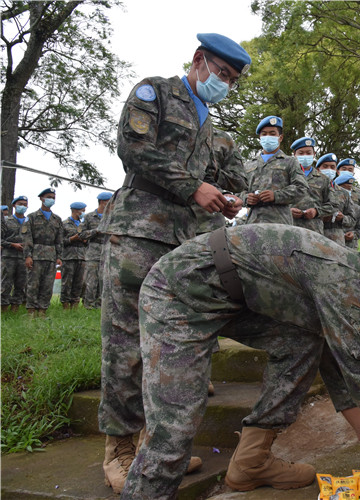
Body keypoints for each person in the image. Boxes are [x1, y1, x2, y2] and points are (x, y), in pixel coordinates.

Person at [119, 223, 360, 498]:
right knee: (174, 431)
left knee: (304, 342)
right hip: (179, 291)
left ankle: (250, 462)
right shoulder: (341, 279)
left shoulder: (350, 282)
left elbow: (336, 362)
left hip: (229, 298)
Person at [96, 32, 251, 494]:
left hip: (181, 243)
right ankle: (119, 449)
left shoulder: (209, 126)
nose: (224, 83)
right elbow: (134, 148)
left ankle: (153, 449)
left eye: (232, 80)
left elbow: (223, 177)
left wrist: (223, 198)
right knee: (125, 342)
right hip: (140, 232)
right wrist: (193, 187)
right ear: (199, 60)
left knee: (163, 344)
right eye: (221, 73)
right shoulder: (156, 93)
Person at [242, 116, 307, 225]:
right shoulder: (248, 165)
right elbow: (238, 190)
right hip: (253, 223)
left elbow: (301, 188)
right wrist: (246, 198)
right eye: (264, 134)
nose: (268, 137)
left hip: (280, 223)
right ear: (260, 137)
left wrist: (276, 196)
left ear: (280, 138)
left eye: (272, 134)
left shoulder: (290, 162)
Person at [23, 188, 63, 317]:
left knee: (47, 285)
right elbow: (27, 238)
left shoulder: (57, 219)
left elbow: (59, 240)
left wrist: (59, 256)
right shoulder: (31, 217)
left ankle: (42, 311)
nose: (51, 199)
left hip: (51, 256)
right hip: (36, 255)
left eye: (53, 197)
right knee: (33, 284)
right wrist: (28, 256)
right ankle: (31, 311)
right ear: (41, 198)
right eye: (49, 196)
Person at [289, 137, 333, 235]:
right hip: (289, 228)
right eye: (301, 153)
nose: (305, 156)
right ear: (294, 155)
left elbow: (333, 205)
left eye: (308, 153)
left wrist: (316, 211)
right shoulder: (285, 175)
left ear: (314, 154)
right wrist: (288, 210)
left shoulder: (323, 179)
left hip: (314, 231)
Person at [78, 192, 112, 309]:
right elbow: (81, 235)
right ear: (103, 202)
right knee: (91, 281)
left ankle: (101, 306)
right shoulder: (89, 217)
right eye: (110, 201)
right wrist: (96, 231)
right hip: (93, 253)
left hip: (108, 252)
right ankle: (89, 305)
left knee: (104, 280)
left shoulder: (112, 217)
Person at [317, 153, 357, 246]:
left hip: (336, 240)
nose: (329, 170)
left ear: (336, 170)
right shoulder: (310, 188)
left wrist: (342, 218)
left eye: (332, 167)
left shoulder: (344, 193)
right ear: (318, 170)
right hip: (315, 235)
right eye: (325, 167)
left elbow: (352, 220)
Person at [1, 195, 29, 312]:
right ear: (14, 205)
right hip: (9, 257)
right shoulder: (6, 221)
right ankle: (3, 309)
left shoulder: (29, 222)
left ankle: (15, 309)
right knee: (6, 284)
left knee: (21, 284)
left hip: (23, 258)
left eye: (24, 204)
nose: (22, 206)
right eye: (20, 204)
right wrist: (12, 244)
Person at [60, 202, 87, 309]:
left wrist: (85, 240)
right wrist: (72, 239)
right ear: (76, 211)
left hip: (81, 256)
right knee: (67, 282)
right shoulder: (64, 224)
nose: (84, 213)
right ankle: (65, 306)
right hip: (68, 257)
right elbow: (60, 241)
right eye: (83, 211)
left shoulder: (83, 225)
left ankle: (75, 306)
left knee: (79, 283)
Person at [335, 171, 360, 249]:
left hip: (350, 249)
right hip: (332, 247)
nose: (346, 191)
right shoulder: (330, 205)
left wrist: (354, 234)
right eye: (343, 188)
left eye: (349, 188)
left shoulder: (357, 209)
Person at [337, 157, 360, 226]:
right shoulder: (329, 188)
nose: (347, 172)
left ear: (353, 173)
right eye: (344, 169)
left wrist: (358, 223)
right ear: (338, 172)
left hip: (353, 233)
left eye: (350, 170)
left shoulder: (359, 193)